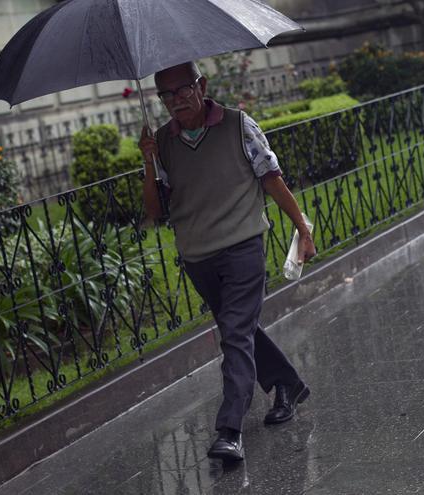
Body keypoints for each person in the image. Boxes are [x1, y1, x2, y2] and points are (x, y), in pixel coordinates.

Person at [138, 61, 316, 462]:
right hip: (198, 256)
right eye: (165, 95)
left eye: (182, 90)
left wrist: (302, 230)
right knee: (242, 327)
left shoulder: (239, 126)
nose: (174, 101)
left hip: (242, 247)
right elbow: (155, 212)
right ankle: (287, 383)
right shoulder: (163, 142)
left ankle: (230, 429)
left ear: (201, 85)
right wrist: (148, 162)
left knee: (234, 335)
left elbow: (272, 180)